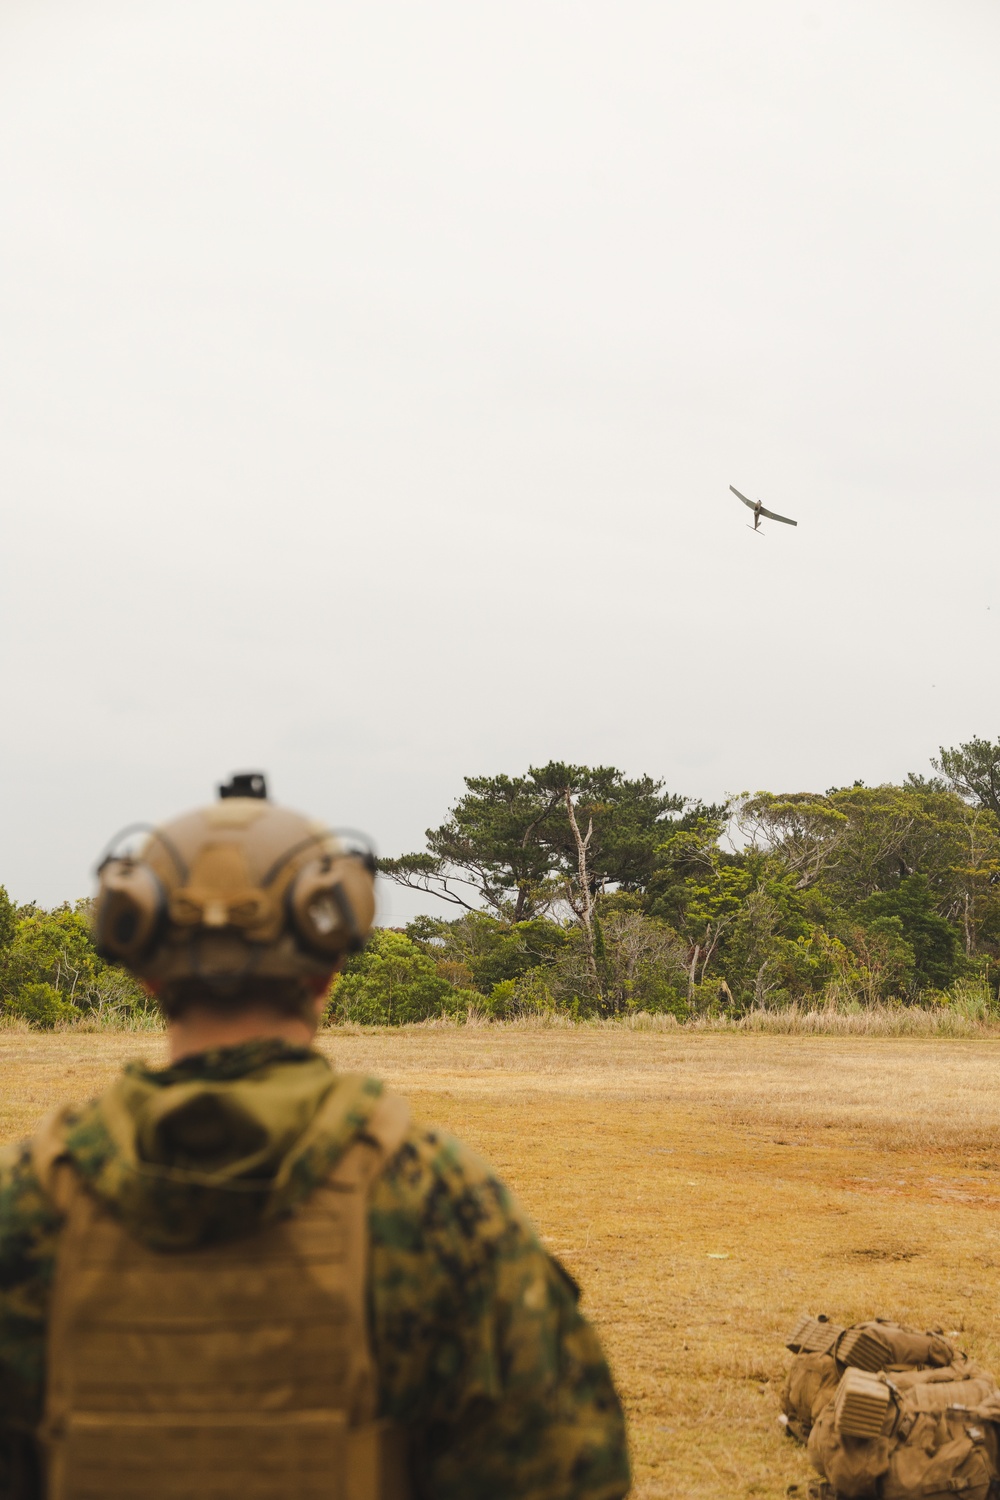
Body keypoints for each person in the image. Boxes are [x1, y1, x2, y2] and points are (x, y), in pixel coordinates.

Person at [0, 774, 630, 1500]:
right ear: (329, 962)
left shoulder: (29, 1202)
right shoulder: (439, 1204)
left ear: (143, 965)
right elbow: (563, 1474)